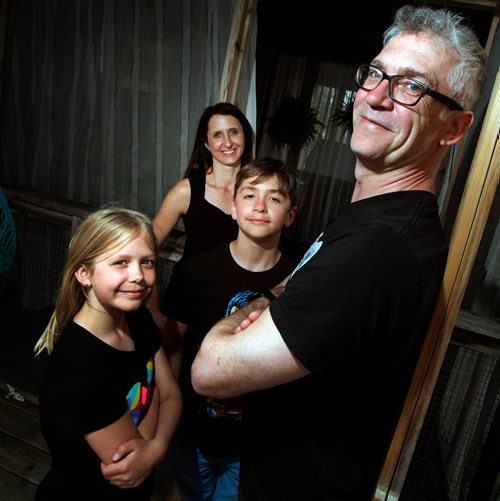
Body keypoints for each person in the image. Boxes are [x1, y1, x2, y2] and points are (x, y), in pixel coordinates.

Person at [191, 5, 487, 500]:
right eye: (375, 74)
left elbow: (211, 370)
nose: (375, 98)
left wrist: (248, 311)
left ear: (453, 128)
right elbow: (293, 291)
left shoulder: (380, 247)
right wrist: (272, 301)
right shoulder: (369, 216)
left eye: (411, 86)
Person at [164, 159, 299, 500]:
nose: (260, 206)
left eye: (274, 198)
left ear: (291, 215)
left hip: (257, 443)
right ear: (234, 209)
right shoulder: (197, 271)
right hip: (193, 431)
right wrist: (171, 414)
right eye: (250, 195)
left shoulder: (299, 280)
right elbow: (173, 345)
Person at [34, 207, 182, 500]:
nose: (138, 276)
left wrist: (158, 446)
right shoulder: (78, 367)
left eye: (147, 262)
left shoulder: (138, 319)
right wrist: (156, 442)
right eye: (120, 262)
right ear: (84, 274)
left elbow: (173, 395)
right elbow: (131, 467)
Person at [147, 102, 254, 331]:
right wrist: (151, 303)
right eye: (217, 135)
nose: (227, 142)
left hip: (232, 304)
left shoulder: (256, 192)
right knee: (170, 365)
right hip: (186, 298)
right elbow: (147, 245)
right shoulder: (186, 190)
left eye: (234, 132)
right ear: (206, 143)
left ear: (245, 136)